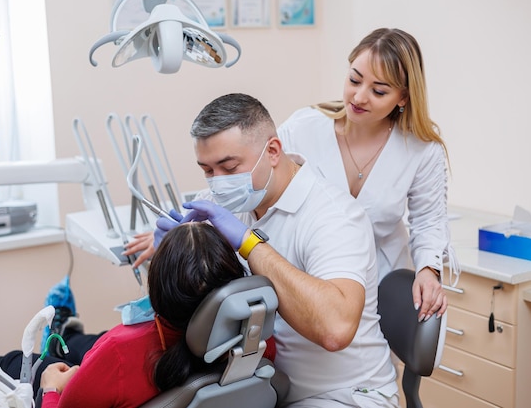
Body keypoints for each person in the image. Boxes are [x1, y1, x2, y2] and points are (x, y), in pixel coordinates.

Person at [129, 93, 399, 408]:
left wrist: (249, 243)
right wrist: (167, 254)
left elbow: (335, 329)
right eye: (207, 170)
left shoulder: (334, 217)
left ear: (272, 151)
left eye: (229, 168)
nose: (217, 184)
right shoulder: (220, 203)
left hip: (341, 395)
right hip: (263, 389)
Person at [0, 222, 265, 408]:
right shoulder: (254, 337)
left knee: (25, 363)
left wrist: (53, 386)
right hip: (121, 367)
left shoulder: (121, 353)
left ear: (160, 291)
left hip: (101, 374)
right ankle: (64, 334)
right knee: (83, 344)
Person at [277, 28, 459, 321]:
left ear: (403, 97)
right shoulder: (303, 128)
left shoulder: (421, 149)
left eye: (379, 91)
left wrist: (428, 271)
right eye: (354, 80)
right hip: (308, 277)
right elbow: (262, 182)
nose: (359, 97)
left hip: (380, 287)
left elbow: (428, 221)